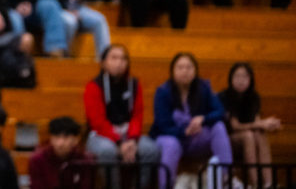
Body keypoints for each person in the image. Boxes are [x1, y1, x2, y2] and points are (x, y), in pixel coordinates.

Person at [150, 53, 232, 189]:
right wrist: (184, 131)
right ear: (173, 71)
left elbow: (220, 111)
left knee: (218, 126)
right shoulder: (163, 91)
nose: (185, 71)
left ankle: (226, 178)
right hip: (171, 137)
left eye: (189, 67)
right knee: (171, 144)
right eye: (180, 67)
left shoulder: (203, 87)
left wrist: (203, 119)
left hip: (196, 137)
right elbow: (162, 125)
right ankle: (166, 186)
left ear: (195, 71)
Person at [83, 44, 160, 189]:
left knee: (150, 150)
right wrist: (119, 143)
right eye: (114, 58)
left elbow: (137, 116)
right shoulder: (94, 86)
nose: (119, 63)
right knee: (107, 152)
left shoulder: (134, 84)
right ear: (104, 62)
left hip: (128, 133)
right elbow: (97, 122)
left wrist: (131, 139)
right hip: (101, 135)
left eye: (123, 59)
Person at [218, 62, 281, 188]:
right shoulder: (225, 96)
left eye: (245, 76)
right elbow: (235, 126)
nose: (241, 80)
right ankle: (255, 184)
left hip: (249, 138)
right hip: (228, 140)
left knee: (259, 133)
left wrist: (269, 125)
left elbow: (257, 124)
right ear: (231, 78)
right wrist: (262, 123)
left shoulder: (254, 97)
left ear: (250, 79)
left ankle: (269, 183)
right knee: (248, 135)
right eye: (237, 76)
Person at [28, 117, 93, 189]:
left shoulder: (84, 160)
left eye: (66, 137)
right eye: (56, 137)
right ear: (50, 138)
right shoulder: (38, 160)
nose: (60, 143)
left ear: (76, 139)